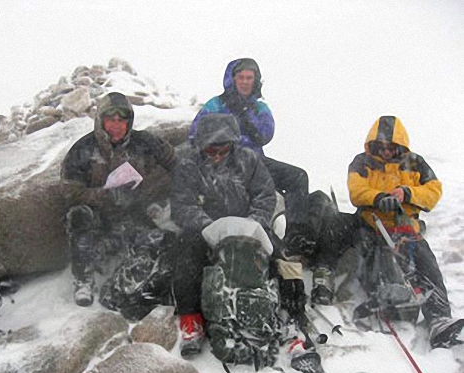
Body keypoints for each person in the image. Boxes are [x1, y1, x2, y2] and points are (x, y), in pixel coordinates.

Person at [310, 115, 464, 348]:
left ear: (399, 145)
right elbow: (356, 191)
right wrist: (378, 198)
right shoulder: (362, 162)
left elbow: (433, 191)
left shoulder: (416, 163)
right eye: (380, 146)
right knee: (335, 226)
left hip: (403, 226)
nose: (385, 151)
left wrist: (407, 194)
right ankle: (324, 277)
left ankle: (439, 318)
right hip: (368, 221)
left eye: (390, 147)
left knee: (424, 258)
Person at [171, 113, 277, 355]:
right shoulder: (188, 166)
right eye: (211, 149)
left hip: (249, 229)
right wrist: (210, 227)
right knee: (186, 261)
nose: (217, 154)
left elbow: (265, 195)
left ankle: (293, 313)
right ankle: (191, 318)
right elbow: (181, 205)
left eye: (223, 148)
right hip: (205, 231)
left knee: (283, 259)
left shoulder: (248, 160)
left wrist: (254, 224)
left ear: (233, 143)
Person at [189, 58, 314, 256]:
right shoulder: (216, 104)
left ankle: (296, 237)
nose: (245, 82)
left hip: (255, 161)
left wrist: (246, 114)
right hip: (223, 160)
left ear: (255, 81)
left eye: (250, 77)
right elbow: (196, 133)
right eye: (241, 77)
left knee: (298, 176)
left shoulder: (259, 108)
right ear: (232, 79)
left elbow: (265, 135)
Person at [61, 92, 176, 307]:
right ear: (100, 120)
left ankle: (131, 282)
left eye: (122, 120)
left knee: (160, 242)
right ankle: (83, 280)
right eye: (110, 119)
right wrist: (105, 195)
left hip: (133, 213)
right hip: (97, 218)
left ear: (129, 122)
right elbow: (70, 192)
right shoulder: (82, 150)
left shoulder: (145, 142)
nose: (116, 125)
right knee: (78, 215)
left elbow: (175, 162)